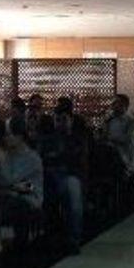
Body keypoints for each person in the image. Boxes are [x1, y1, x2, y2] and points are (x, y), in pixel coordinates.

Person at [41, 107, 89, 252]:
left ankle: (74, 239)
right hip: (50, 175)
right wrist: (59, 157)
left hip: (72, 174)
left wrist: (57, 157)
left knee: (73, 197)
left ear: (71, 120)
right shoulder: (48, 139)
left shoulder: (79, 139)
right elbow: (43, 159)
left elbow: (77, 161)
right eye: (57, 120)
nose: (60, 123)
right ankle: (52, 237)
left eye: (64, 119)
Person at [0, 116, 44, 247]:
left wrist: (2, 160)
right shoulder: (9, 154)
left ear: (19, 136)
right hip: (10, 195)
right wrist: (12, 186)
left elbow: (10, 180)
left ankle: (10, 247)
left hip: (29, 198)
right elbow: (1, 182)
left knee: (10, 206)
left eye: (8, 134)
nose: (5, 138)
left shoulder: (31, 157)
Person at [103, 94, 134, 180]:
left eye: (116, 102)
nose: (113, 105)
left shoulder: (133, 121)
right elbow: (104, 136)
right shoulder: (110, 120)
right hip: (109, 153)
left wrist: (110, 138)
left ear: (124, 105)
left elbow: (130, 139)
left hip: (124, 154)